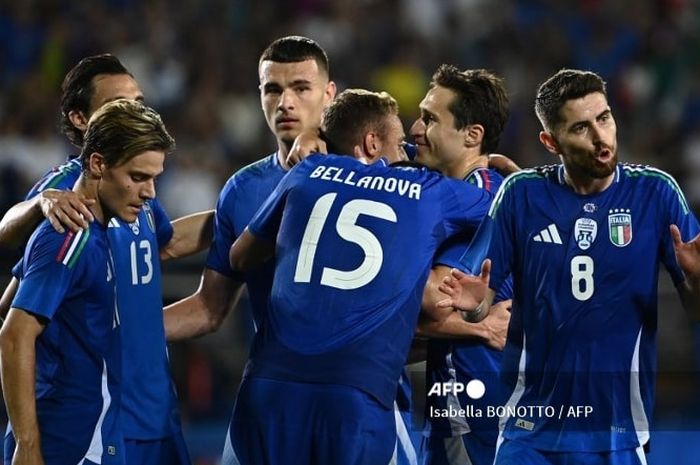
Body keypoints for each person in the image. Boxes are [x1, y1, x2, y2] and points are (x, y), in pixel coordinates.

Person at [439, 69, 700, 465]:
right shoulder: (521, 194)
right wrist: (474, 305)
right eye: (581, 127)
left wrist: (697, 279)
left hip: (618, 432)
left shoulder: (656, 193)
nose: (601, 138)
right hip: (527, 434)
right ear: (550, 141)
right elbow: (479, 303)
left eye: (604, 118)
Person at [225, 85, 495, 465]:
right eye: (400, 144)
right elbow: (501, 201)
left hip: (268, 386)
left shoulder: (308, 170)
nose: (407, 154)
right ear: (372, 143)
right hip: (354, 394)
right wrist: (505, 169)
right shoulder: (425, 191)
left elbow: (239, 257)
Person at [0, 54, 209, 465]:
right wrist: (39, 204)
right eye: (120, 104)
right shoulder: (70, 205)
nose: (135, 111)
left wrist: (253, 214)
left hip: (152, 409)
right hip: (93, 420)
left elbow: (163, 243)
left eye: (139, 101)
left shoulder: (133, 191)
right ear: (81, 120)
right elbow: (14, 312)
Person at [409, 65, 513, 465]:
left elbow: (435, 300)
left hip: (472, 410)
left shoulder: (482, 201)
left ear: (473, 135)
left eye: (431, 119)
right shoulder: (468, 190)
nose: (416, 128)